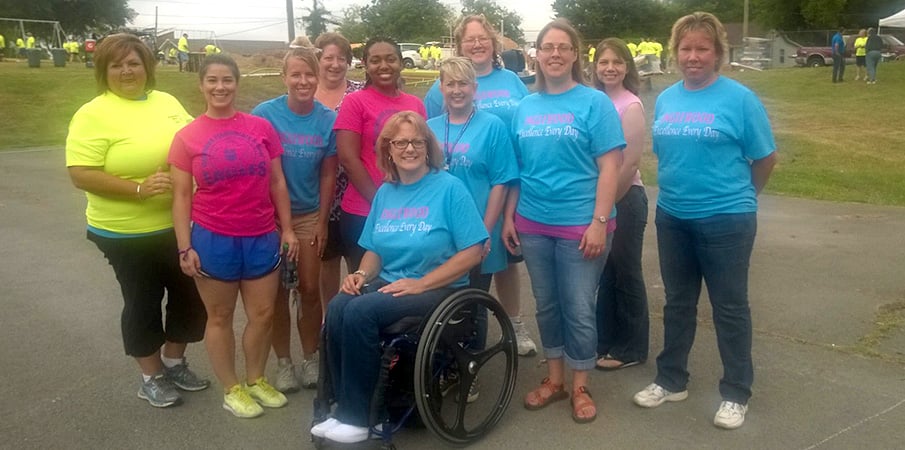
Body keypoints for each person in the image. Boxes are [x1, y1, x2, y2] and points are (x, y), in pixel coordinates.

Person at [632, 12, 777, 431]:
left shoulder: (740, 99)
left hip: (727, 220)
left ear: (717, 53)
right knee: (678, 302)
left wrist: (744, 197)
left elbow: (765, 157)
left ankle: (735, 392)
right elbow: (668, 154)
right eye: (686, 48)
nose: (693, 56)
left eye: (702, 48)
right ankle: (671, 379)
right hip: (674, 216)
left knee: (729, 308)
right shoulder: (669, 98)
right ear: (675, 52)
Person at [310, 111, 488, 444]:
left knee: (362, 312)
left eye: (416, 141)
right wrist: (361, 274)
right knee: (338, 305)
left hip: (439, 288)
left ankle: (357, 416)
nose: (409, 148)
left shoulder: (450, 189)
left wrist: (421, 283)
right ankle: (338, 405)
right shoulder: (386, 193)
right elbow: (375, 249)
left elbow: (473, 251)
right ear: (388, 149)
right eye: (400, 142)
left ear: (427, 147)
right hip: (391, 285)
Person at [65, 33, 209, 409]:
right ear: (104, 71)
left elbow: (197, 139)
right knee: (143, 301)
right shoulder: (93, 113)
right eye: (117, 65)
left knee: (190, 297)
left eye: (134, 63)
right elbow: (80, 172)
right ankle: (151, 376)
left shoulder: (166, 101)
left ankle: (174, 362)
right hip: (124, 231)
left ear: (147, 67)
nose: (127, 71)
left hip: (178, 225)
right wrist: (138, 188)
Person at [505, 19, 625, 424]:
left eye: (563, 47)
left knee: (578, 307)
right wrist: (510, 218)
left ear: (575, 55)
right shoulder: (524, 106)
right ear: (536, 55)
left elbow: (611, 166)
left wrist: (598, 220)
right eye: (547, 47)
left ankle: (580, 385)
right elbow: (518, 170)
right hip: (534, 223)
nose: (554, 54)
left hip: (582, 226)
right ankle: (554, 380)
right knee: (547, 305)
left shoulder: (595, 103)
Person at [169, 54, 298, 419]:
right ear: (201, 85)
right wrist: (184, 246)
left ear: (236, 84)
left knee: (263, 313)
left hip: (261, 235)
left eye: (227, 80)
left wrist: (287, 228)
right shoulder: (187, 137)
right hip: (213, 238)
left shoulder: (260, 127)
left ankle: (256, 379)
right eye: (212, 80)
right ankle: (232, 388)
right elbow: (180, 195)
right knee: (220, 316)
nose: (220, 87)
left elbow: (277, 181)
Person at [423, 14, 537, 357]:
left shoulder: (512, 82)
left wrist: (506, 212)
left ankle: (512, 324)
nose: (476, 44)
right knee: (456, 281)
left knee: (502, 264)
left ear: (493, 42)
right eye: (469, 39)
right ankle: (450, 352)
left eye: (482, 38)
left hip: (497, 183)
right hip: (456, 191)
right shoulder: (438, 96)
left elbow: (522, 128)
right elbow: (429, 145)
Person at [427, 57, 519, 399]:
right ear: (440, 88)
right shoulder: (430, 127)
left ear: (474, 88)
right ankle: (442, 364)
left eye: (463, 84)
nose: (456, 90)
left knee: (473, 302)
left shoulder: (493, 126)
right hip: (439, 233)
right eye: (449, 84)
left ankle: (469, 369)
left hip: (479, 228)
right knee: (440, 301)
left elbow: (501, 180)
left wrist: (484, 231)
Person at [252, 47, 338, 393]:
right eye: (296, 75)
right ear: (284, 77)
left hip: (308, 216)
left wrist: (322, 222)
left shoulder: (326, 119)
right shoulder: (264, 115)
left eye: (309, 75)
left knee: (308, 290)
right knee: (274, 295)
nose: (303, 81)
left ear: (318, 77)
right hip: (267, 218)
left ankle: (310, 356)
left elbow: (328, 175)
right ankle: (284, 363)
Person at [333, 37, 426, 273]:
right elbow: (348, 158)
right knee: (367, 284)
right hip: (364, 212)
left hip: (409, 212)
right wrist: (381, 203)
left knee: (405, 282)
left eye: (390, 59)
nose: (383, 66)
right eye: (375, 60)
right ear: (365, 64)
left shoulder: (415, 104)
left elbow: (422, 154)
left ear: (400, 63)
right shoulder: (354, 102)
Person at [591, 38, 650, 372]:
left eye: (616, 62)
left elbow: (628, 165)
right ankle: (603, 341)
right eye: (603, 62)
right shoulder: (595, 101)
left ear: (627, 67)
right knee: (606, 273)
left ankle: (631, 347)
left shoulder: (630, 105)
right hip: (602, 200)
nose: (609, 68)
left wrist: (604, 207)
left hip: (625, 199)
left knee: (626, 272)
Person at [313, 32, 364, 306]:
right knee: (326, 260)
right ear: (317, 59)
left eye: (341, 59)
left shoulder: (360, 91)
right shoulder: (304, 92)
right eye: (328, 57)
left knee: (356, 258)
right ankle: (328, 316)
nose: (334, 64)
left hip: (355, 191)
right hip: (317, 196)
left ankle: (355, 312)